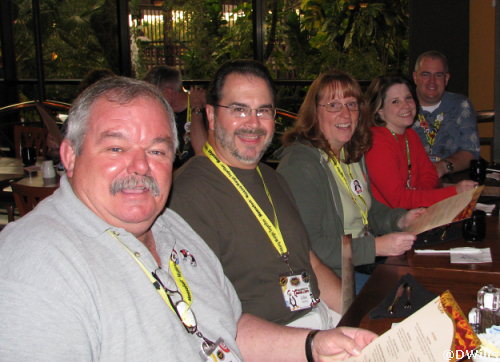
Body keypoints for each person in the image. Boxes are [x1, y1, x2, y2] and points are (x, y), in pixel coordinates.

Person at [0, 76, 376, 361]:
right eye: (116, 147)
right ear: (69, 155)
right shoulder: (35, 262)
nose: (140, 167)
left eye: (157, 150)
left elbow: (229, 326)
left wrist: (312, 346)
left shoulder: (168, 227)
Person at [169, 60, 348, 330]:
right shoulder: (185, 196)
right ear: (211, 115)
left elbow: (308, 260)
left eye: (263, 111)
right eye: (239, 110)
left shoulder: (274, 178)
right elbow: (208, 322)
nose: (253, 123)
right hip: (272, 342)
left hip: (320, 319)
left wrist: (358, 314)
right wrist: (312, 343)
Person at [276, 70, 424, 288]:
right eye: (334, 105)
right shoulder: (301, 166)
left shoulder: (351, 153)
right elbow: (308, 247)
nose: (345, 114)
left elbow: (369, 212)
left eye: (351, 104)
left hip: (363, 264)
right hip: (332, 279)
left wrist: (401, 220)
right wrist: (375, 247)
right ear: (315, 112)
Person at [365, 75, 477, 209]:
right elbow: (398, 199)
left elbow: (429, 175)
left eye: (408, 98)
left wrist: (419, 198)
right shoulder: (376, 142)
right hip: (386, 224)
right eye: (395, 101)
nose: (406, 105)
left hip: (412, 214)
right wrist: (454, 192)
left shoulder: (410, 135)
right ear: (380, 111)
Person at [412, 50, 480, 177]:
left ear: (446, 78)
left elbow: (471, 152)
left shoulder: (461, 105)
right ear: (415, 77)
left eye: (438, 75)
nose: (431, 81)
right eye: (425, 74)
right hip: (411, 181)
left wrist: (443, 167)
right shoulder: (402, 106)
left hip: (452, 179)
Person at [143, 65, 207, 168]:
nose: (149, 101)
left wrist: (197, 108)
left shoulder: (203, 109)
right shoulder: (158, 115)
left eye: (152, 95)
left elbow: (204, 153)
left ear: (168, 93)